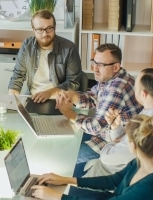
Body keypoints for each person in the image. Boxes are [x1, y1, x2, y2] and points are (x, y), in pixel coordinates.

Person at [31, 115, 153, 200]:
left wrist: (58, 197)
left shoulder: (148, 188)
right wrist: (66, 179)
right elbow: (113, 180)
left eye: (126, 139)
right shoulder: (146, 160)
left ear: (134, 146)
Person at [56, 44, 143, 175]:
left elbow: (96, 126)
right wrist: (73, 96)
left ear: (115, 67)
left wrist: (69, 114)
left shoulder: (116, 88)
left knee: (65, 157)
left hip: (114, 143)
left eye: (100, 65)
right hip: (105, 132)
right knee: (64, 138)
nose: (95, 68)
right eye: (94, 62)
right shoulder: (111, 76)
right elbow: (93, 98)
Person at [83, 68, 153, 177]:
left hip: (113, 175)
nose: (133, 88)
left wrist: (113, 142)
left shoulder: (149, 125)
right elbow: (125, 144)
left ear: (143, 94)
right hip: (118, 166)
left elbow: (107, 157)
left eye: (135, 86)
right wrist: (115, 128)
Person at [8, 9, 83, 103]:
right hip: (32, 98)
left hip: (59, 100)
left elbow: (73, 82)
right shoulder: (27, 45)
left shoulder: (69, 48)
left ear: (54, 28)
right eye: (40, 29)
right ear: (33, 30)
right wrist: (12, 100)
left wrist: (49, 93)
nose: (45, 34)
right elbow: (18, 74)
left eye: (49, 28)